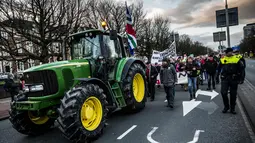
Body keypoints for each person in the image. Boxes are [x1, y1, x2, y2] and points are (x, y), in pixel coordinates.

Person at [218, 48, 245, 114]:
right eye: (229, 52)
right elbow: (218, 68)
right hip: (225, 78)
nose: (230, 53)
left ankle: (232, 108)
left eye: (231, 52)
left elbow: (242, 69)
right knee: (223, 92)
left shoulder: (236, 59)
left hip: (234, 78)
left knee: (233, 94)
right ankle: (226, 106)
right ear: (226, 53)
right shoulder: (222, 59)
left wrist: (241, 78)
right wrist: (217, 76)